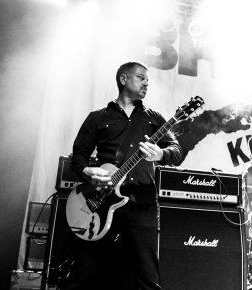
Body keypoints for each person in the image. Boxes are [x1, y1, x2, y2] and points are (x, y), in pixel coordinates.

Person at [61, 61, 183, 289]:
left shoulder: (153, 118)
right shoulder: (98, 117)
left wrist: (160, 153)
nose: (147, 82)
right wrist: (87, 171)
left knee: (147, 277)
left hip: (141, 204)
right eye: (141, 77)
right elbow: (79, 156)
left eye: (148, 79)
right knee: (82, 273)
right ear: (123, 79)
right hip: (100, 203)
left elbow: (176, 151)